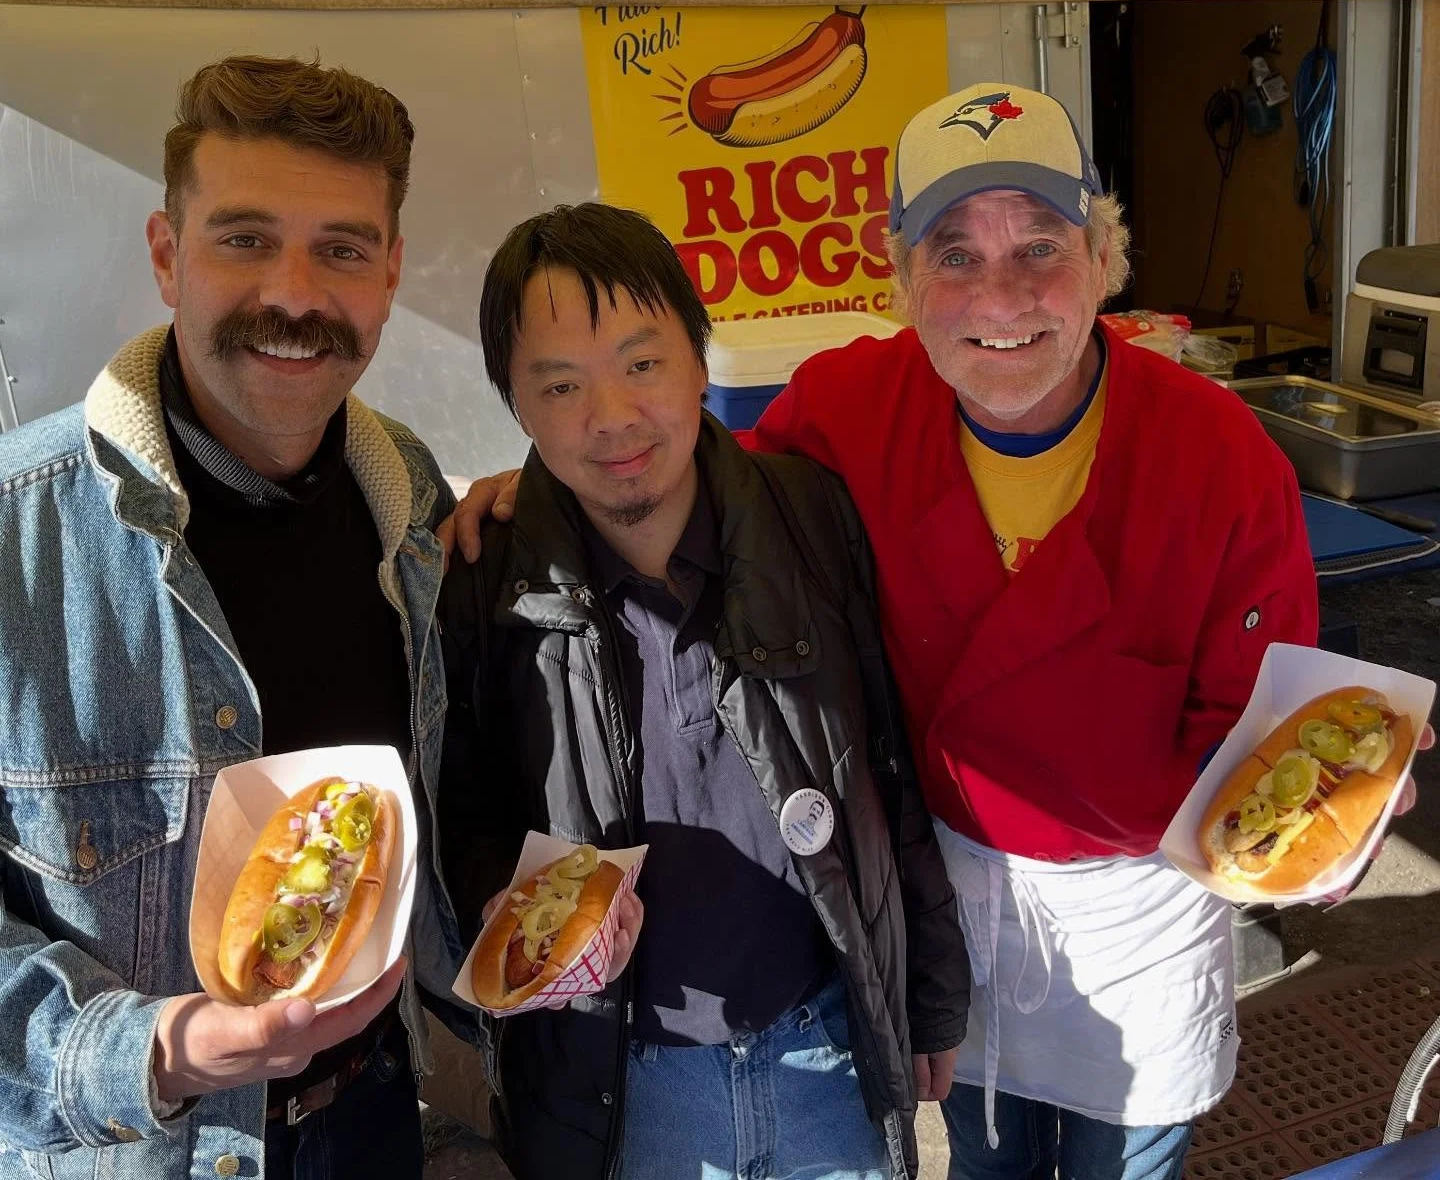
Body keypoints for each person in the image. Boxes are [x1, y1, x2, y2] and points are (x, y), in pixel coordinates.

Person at [447, 85, 1429, 1180]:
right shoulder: (845, 409)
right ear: (902, 277)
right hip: (947, 904)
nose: (999, 297)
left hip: (1139, 920)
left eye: (1041, 247)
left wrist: (1334, 819)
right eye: (954, 254)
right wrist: (540, 497)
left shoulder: (1220, 455)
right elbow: (683, 479)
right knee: (986, 1166)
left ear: (1106, 258)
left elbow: (1268, 742)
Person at [0, 55, 473, 1180]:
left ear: (391, 274)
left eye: (342, 250)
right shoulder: (15, 534)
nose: (295, 296)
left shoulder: (413, 502)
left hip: (373, 1120)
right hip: (134, 1152)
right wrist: (154, 1050)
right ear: (169, 256)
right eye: (245, 239)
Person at [437, 202, 971, 1180]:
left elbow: (886, 771)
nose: (611, 417)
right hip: (627, 1089)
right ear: (516, 405)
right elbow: (461, 808)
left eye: (643, 363)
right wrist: (506, 906)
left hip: (823, 1050)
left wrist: (928, 998)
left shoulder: (810, 515)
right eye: (560, 385)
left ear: (698, 355)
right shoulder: (486, 577)